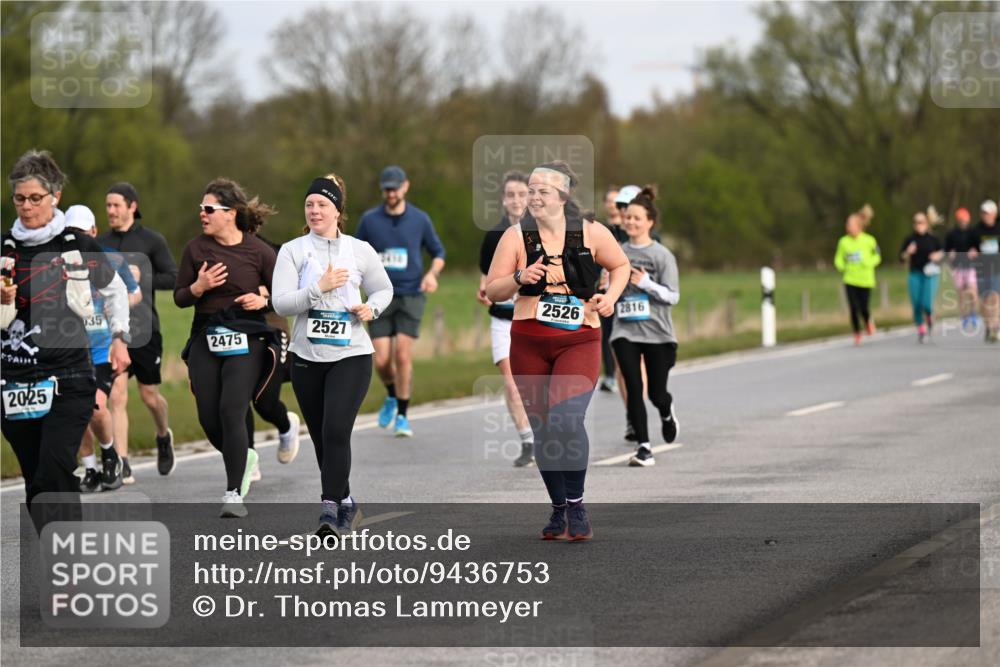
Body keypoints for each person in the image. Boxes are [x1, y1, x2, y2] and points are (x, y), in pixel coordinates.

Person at [486, 160, 630, 541]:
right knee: (544, 429)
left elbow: (620, 266)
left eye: (542, 191)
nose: (533, 196)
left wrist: (611, 297)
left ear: (563, 196)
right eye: (530, 190)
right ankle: (558, 508)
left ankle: (578, 504)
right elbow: (493, 290)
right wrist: (519, 277)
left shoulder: (591, 232)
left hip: (580, 336)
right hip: (529, 340)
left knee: (567, 418)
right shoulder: (517, 237)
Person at [1, 150, 130, 523]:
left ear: (55, 196)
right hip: (15, 379)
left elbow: (115, 290)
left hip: (68, 377)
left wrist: (119, 337)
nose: (27, 207)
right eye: (20, 198)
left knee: (55, 467)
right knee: (36, 480)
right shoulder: (4, 249)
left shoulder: (76, 245)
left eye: (35, 198)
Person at [273, 173, 393, 536]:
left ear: (338, 210)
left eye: (322, 204)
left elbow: (384, 289)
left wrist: (372, 308)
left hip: (352, 354)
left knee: (337, 429)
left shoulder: (359, 250)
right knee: (322, 436)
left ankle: (328, 509)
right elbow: (280, 301)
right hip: (307, 357)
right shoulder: (292, 250)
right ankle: (347, 502)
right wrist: (317, 289)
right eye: (309, 204)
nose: (314, 210)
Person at [174, 178, 287, 518]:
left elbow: (283, 290)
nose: (202, 214)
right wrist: (198, 286)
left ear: (231, 213)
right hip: (207, 335)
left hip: (248, 334)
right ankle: (244, 456)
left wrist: (263, 297)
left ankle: (234, 493)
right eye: (201, 209)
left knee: (232, 408)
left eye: (208, 209)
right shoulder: (195, 249)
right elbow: (180, 297)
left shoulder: (258, 250)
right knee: (209, 417)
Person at [356, 165, 445, 437]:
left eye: (395, 188)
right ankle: (392, 395)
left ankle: (404, 416)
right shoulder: (369, 220)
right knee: (381, 361)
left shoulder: (420, 219)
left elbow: (438, 252)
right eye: (386, 188)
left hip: (410, 294)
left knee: (403, 356)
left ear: (405, 186)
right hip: (379, 296)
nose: (391, 193)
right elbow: (356, 254)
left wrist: (432, 274)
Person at [98, 182, 178, 476]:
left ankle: (163, 435)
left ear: (132, 206)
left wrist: (140, 276)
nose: (111, 211)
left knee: (149, 396)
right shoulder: (101, 244)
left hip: (146, 328)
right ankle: (122, 462)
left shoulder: (152, 241)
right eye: (108, 206)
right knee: (117, 394)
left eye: (116, 205)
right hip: (115, 331)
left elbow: (173, 277)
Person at [64, 205, 142, 492]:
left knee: (95, 406)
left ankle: (110, 454)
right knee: (75, 410)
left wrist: (117, 315)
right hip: (71, 349)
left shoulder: (111, 259)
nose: (79, 239)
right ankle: (90, 469)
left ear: (94, 232)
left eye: (83, 232)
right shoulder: (58, 261)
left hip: (101, 348)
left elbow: (130, 293)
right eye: (72, 233)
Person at [609, 188, 681, 467]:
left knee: (656, 394)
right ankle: (644, 447)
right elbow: (608, 285)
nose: (631, 223)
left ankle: (666, 411)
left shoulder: (662, 256)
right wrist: (606, 287)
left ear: (650, 221)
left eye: (637, 218)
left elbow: (674, 296)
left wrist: (646, 284)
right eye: (628, 218)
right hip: (625, 330)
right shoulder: (616, 253)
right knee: (633, 386)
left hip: (658, 333)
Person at [477, 171, 534, 467]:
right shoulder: (494, 235)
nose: (516, 200)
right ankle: (528, 441)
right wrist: (484, 290)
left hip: (534, 317)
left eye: (522, 194)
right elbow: (486, 277)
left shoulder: (543, 232)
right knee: (512, 384)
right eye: (510, 195)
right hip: (502, 319)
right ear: (503, 199)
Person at [243, 233, 302, 483]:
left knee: (264, 402)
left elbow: (293, 294)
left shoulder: (273, 252)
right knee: (238, 397)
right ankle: (248, 458)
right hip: (237, 329)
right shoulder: (216, 251)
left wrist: (265, 299)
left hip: (272, 329)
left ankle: (286, 426)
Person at [834, 212, 882, 345]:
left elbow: (877, 256)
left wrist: (868, 262)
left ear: (859, 226)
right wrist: (841, 266)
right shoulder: (843, 241)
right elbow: (839, 258)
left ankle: (867, 321)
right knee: (853, 308)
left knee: (864, 307)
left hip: (866, 279)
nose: (848, 227)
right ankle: (857, 333)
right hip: (850, 279)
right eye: (847, 224)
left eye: (850, 224)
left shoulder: (869, 240)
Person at [899, 212, 944, 343]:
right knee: (917, 304)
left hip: (930, 274)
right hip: (915, 273)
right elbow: (901, 258)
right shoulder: (910, 239)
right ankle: (921, 328)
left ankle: (929, 317)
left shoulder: (933, 239)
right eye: (916, 222)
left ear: (927, 223)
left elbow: (942, 253)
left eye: (921, 222)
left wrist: (937, 256)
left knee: (926, 303)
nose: (919, 225)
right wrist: (908, 252)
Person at [597, 185, 623, 394]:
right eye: (609, 200)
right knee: (606, 334)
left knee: (625, 334)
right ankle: (610, 375)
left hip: (627, 292)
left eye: (617, 200)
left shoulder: (630, 228)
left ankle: (628, 370)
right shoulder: (601, 230)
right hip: (604, 289)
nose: (612, 205)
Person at [944, 207, 979, 333]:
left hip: (970, 266)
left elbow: (979, 247)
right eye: (961, 220)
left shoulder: (973, 233)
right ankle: (965, 316)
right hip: (958, 267)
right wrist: (950, 254)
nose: (963, 222)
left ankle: (973, 312)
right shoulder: (952, 234)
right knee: (961, 294)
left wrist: (975, 251)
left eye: (965, 219)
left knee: (972, 291)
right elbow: (947, 250)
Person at [972, 199, 999, 342]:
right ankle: (988, 326)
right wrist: (971, 251)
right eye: (983, 213)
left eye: (988, 213)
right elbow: (969, 248)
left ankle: (995, 326)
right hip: (982, 269)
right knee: (984, 300)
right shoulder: (976, 231)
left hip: (997, 268)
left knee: (995, 297)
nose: (986, 216)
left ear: (994, 214)